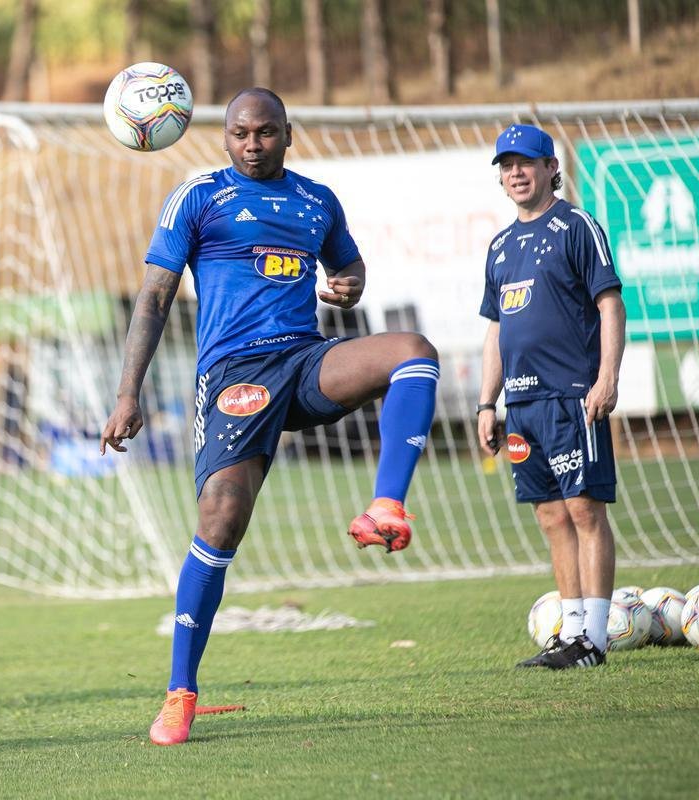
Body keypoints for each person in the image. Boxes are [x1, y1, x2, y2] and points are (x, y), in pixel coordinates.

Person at [100, 88, 440, 745]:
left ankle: (386, 508)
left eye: (264, 133)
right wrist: (127, 393)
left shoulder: (316, 201)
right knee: (221, 521)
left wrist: (351, 284)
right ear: (224, 137)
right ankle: (180, 693)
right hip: (234, 376)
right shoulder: (199, 197)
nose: (251, 144)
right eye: (239, 133)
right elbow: (153, 298)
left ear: (289, 134)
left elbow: (350, 268)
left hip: (306, 363)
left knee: (414, 355)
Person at [476, 124, 626, 669]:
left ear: (550, 169)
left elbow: (610, 304)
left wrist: (607, 376)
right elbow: (495, 330)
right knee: (549, 516)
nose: (515, 173)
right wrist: (486, 403)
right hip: (521, 407)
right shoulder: (499, 247)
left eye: (526, 163)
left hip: (571, 398)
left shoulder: (576, 227)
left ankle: (595, 639)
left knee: (585, 509)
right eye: (506, 165)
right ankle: (569, 632)